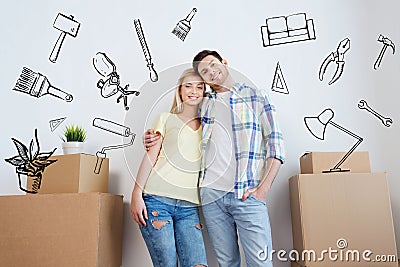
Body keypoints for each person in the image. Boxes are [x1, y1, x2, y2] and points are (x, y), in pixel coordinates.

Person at [145, 50, 285, 266]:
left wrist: (262, 190)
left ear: (224, 63)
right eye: (204, 71)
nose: (210, 71)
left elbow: (276, 146)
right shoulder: (205, 103)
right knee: (226, 262)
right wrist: (153, 136)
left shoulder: (255, 96)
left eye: (212, 65)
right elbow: (181, 124)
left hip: (247, 195)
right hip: (212, 197)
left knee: (261, 262)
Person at [130, 68, 208, 267]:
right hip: (156, 201)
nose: (194, 91)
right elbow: (150, 157)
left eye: (200, 87)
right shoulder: (165, 118)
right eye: (188, 86)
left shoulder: (209, 125)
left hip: (189, 207)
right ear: (180, 90)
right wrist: (136, 194)